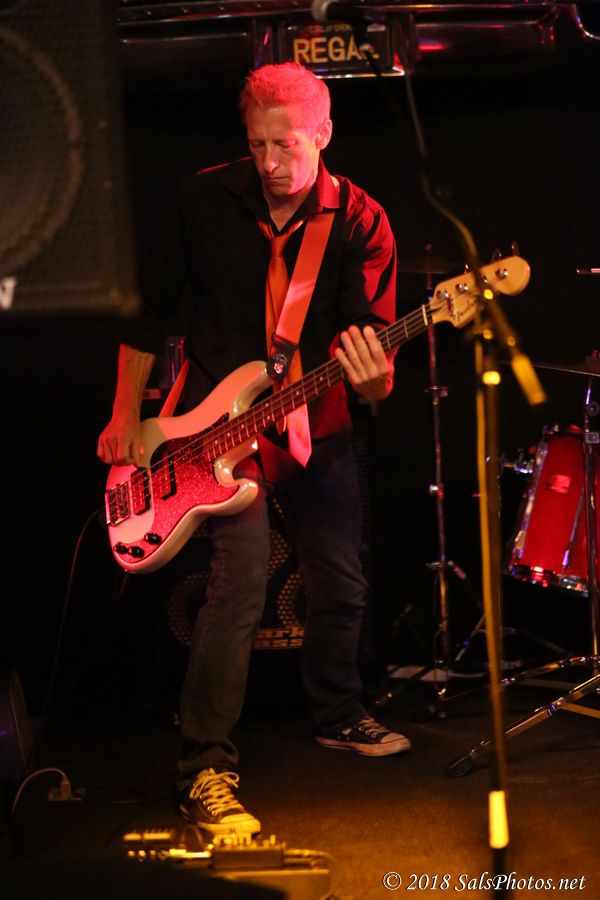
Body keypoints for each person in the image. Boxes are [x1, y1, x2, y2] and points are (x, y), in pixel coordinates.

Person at [97, 62, 410, 839]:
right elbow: (148, 314)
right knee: (237, 584)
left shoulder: (362, 222)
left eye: (286, 146)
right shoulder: (204, 199)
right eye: (258, 144)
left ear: (324, 133)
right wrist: (126, 415)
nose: (270, 164)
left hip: (314, 422)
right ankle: (204, 766)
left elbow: (375, 362)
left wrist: (374, 380)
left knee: (341, 579)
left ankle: (337, 711)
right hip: (211, 433)